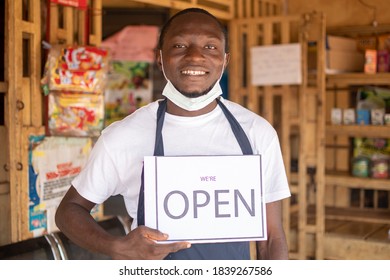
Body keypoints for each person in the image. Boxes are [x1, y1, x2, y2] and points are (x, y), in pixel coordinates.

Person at [55, 7, 291, 260]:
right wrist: (116, 246)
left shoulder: (257, 132)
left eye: (210, 47)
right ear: (159, 58)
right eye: (179, 45)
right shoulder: (124, 136)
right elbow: (69, 211)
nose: (195, 57)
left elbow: (272, 238)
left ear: (225, 60)